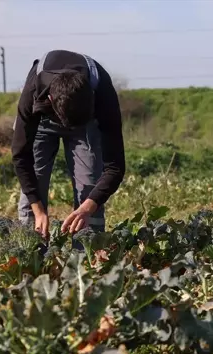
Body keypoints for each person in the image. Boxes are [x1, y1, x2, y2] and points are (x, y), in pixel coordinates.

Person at [11, 49, 126, 240]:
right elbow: (21, 156)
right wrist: (38, 210)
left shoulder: (104, 94)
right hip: (42, 118)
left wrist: (89, 207)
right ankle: (30, 252)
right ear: (51, 99)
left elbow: (115, 167)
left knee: (90, 183)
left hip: (86, 123)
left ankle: (86, 256)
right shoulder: (33, 90)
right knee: (35, 179)